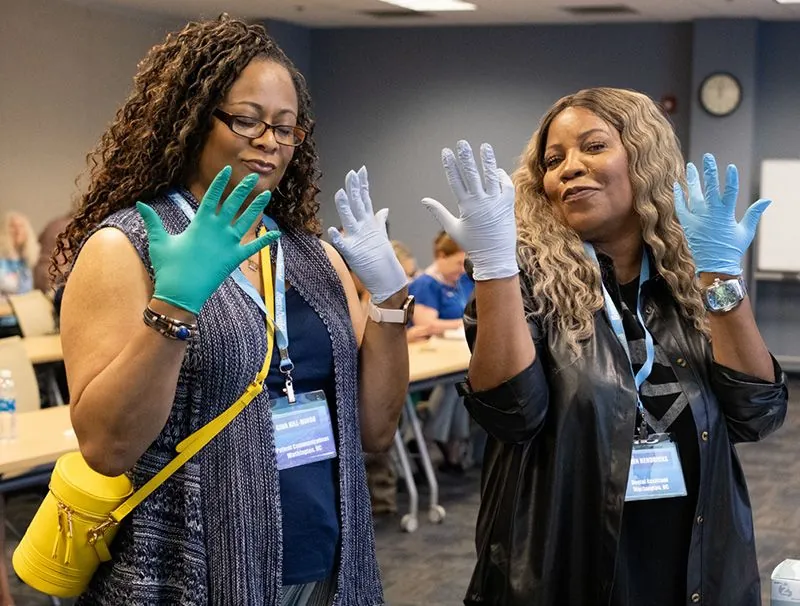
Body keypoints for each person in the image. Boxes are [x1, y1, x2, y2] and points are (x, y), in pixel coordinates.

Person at [56, 15, 411, 605]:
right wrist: (176, 304)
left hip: (329, 565)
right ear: (189, 121)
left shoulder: (311, 254)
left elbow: (374, 430)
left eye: (286, 128)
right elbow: (107, 445)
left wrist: (391, 303)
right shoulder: (127, 246)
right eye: (246, 121)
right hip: (194, 573)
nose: (269, 142)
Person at [421, 88, 788, 605]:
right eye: (554, 159)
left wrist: (721, 275)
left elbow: (757, 413)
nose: (569, 168)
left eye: (593, 147)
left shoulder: (688, 279)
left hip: (695, 567)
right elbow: (510, 414)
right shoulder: (524, 282)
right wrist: (495, 264)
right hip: (564, 568)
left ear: (643, 158)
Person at [408, 231, 474, 471]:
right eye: (458, 262)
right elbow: (427, 325)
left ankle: (450, 442)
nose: (462, 268)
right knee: (456, 384)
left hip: (458, 350)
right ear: (440, 256)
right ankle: (432, 437)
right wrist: (465, 323)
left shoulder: (462, 282)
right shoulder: (425, 284)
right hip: (431, 354)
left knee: (465, 381)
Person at [0, 211, 40, 337]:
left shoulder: (26, 261)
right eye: (13, 226)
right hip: (3, 323)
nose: (17, 231)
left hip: (22, 321)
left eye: (21, 226)